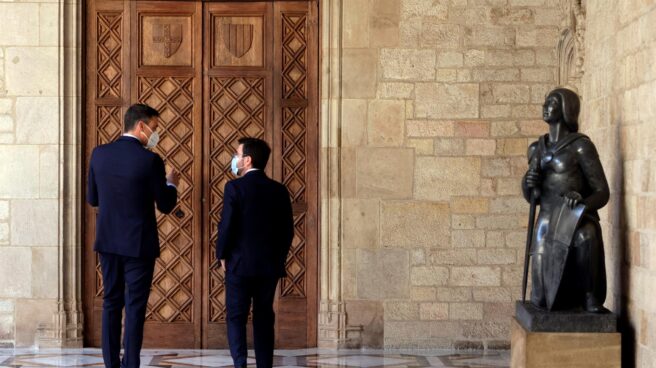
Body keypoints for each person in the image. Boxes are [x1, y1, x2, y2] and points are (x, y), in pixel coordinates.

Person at [87, 103, 179, 368]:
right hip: (139, 245)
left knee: (111, 303)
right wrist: (171, 183)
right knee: (135, 306)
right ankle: (131, 364)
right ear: (141, 126)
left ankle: (110, 364)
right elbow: (164, 204)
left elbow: (92, 198)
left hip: (108, 241)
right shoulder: (150, 160)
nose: (155, 133)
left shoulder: (99, 154)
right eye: (155, 128)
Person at [522, 88, 610, 312]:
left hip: (573, 219)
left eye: (551, 102)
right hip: (546, 219)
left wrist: (581, 202)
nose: (545, 106)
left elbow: (602, 191)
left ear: (565, 108)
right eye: (546, 101)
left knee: (586, 236)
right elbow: (533, 197)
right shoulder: (536, 149)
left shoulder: (580, 146)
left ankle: (590, 297)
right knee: (540, 300)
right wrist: (528, 183)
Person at [217, 137, 294, 368]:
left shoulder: (234, 187)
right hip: (268, 266)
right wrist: (277, 259)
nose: (235, 159)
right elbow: (287, 230)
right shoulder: (279, 190)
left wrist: (222, 254)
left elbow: (227, 225)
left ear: (247, 160)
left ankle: (240, 364)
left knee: (236, 316)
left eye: (237, 154)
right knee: (263, 317)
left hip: (239, 264)